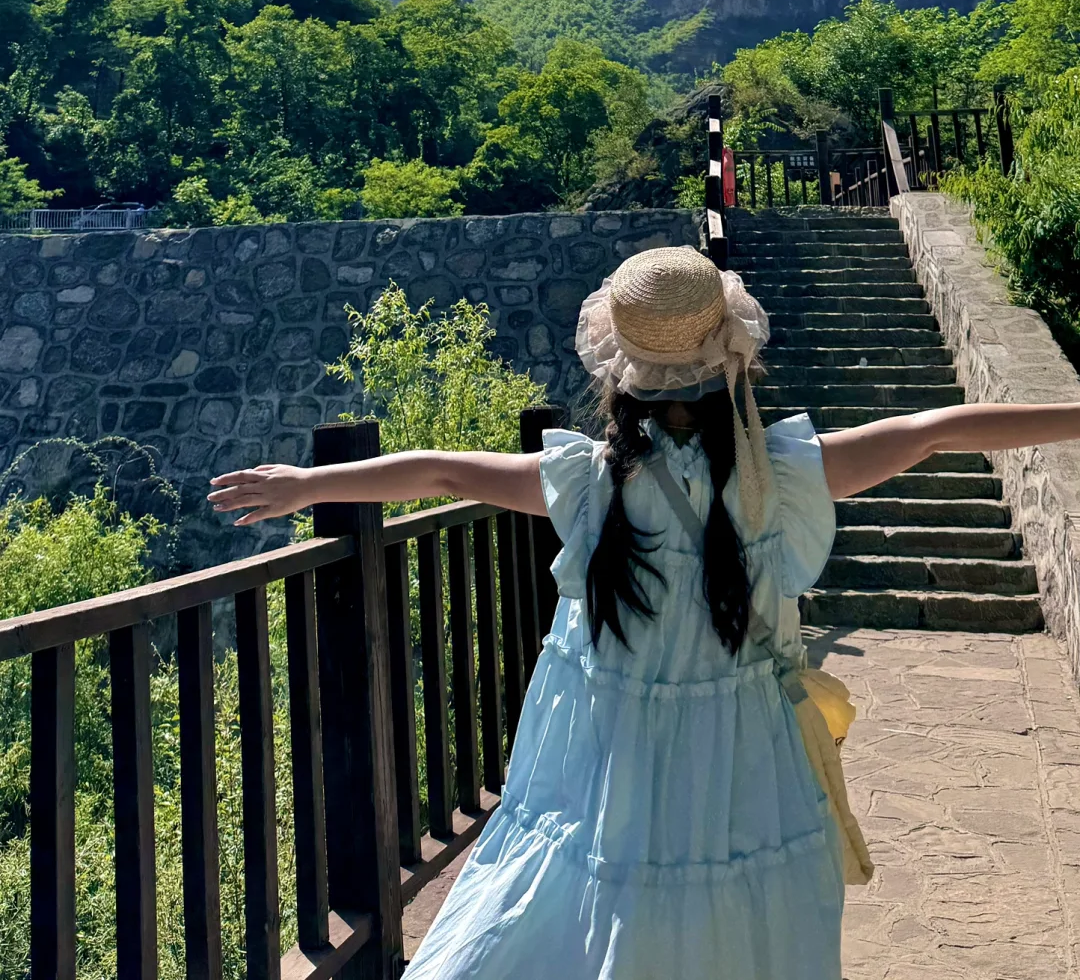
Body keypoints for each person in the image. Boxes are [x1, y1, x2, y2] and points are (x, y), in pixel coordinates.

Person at [209, 244, 1080, 980]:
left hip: (608, 746)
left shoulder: (589, 479)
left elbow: (439, 471)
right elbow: (936, 428)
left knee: (586, 899)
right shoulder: (778, 474)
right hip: (742, 752)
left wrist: (310, 483)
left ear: (619, 364)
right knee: (733, 920)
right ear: (728, 356)